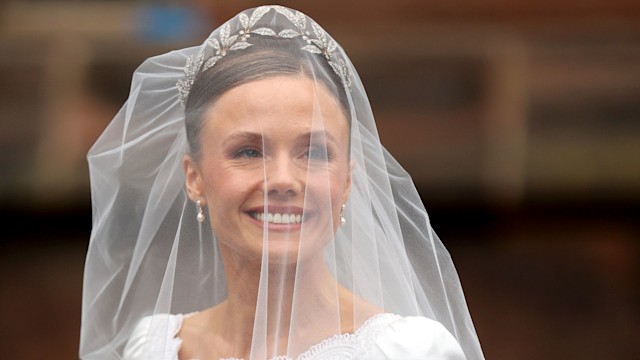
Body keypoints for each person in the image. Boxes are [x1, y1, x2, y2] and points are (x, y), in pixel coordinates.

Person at [80, 5, 484, 360]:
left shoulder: (407, 353)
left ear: (346, 182)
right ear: (194, 178)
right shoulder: (154, 348)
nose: (285, 180)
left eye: (315, 153)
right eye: (249, 152)